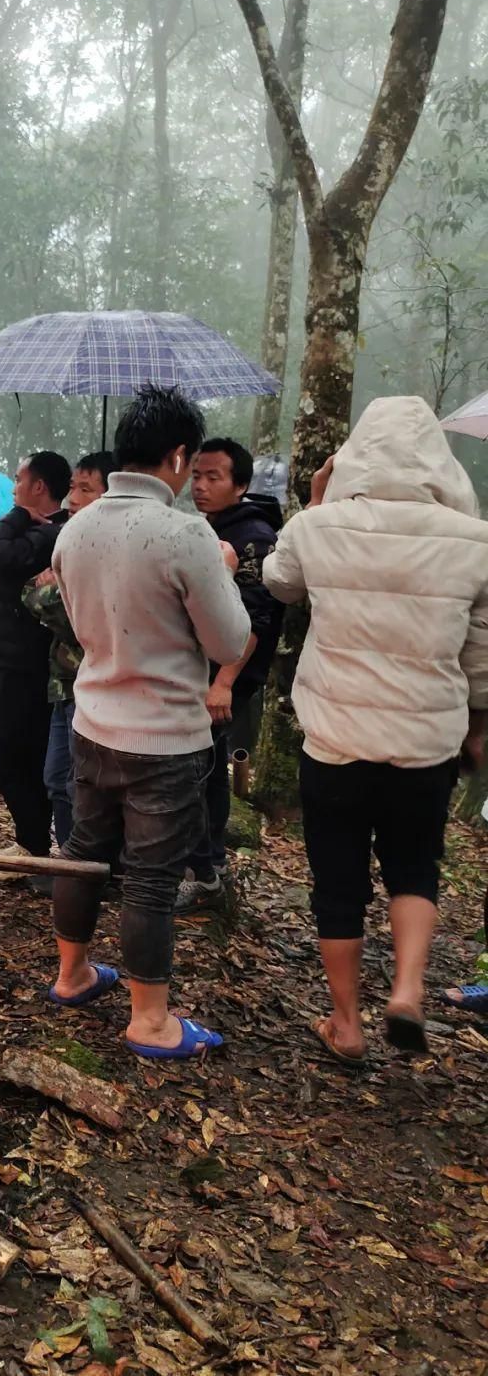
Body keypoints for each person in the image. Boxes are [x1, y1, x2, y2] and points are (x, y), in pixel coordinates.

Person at [262, 395, 488, 1060]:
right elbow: (480, 655)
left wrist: (314, 502)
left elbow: (278, 582)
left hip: (336, 736)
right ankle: (408, 990)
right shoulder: (475, 541)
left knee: (338, 880)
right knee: (416, 862)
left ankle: (346, 1023)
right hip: (426, 744)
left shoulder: (322, 525)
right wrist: (476, 725)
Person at [50, 386, 249, 1058]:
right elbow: (228, 642)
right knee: (153, 877)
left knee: (83, 854)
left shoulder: (74, 527)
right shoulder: (187, 534)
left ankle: (72, 972)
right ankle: (150, 1019)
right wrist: (222, 569)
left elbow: (80, 624)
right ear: (176, 455)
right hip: (164, 736)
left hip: (93, 719)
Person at [178, 437, 284, 911]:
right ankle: (210, 862)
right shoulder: (214, 527)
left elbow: (258, 619)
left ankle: (202, 871)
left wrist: (224, 682)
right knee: (209, 768)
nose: (199, 485)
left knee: (196, 770)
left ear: (240, 484)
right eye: (196, 475)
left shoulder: (253, 536)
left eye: (213, 477)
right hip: (209, 671)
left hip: (228, 676)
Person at [0, 451, 73, 858]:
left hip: (26, 661)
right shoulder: (41, 531)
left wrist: (16, 517)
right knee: (22, 755)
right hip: (10, 656)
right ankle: (32, 841)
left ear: (38, 487)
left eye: (18, 479)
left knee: (4, 757)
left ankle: (34, 843)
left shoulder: (49, 534)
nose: (13, 487)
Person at [22, 452, 114, 851]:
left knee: (83, 785)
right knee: (56, 778)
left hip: (95, 690)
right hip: (64, 685)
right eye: (73, 487)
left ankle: (92, 869)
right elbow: (34, 593)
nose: (73, 497)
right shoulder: (71, 540)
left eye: (85, 489)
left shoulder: (111, 547)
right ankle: (68, 862)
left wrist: (49, 585)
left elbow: (53, 604)